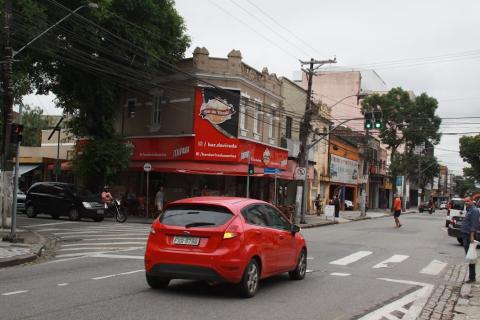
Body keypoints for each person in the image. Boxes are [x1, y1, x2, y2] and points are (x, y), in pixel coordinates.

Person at [460, 197, 480, 283]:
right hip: (465, 235)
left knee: (471, 256)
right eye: (465, 202)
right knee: (469, 256)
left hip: (469, 236)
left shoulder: (474, 210)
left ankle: (472, 277)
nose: (466, 203)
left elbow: (474, 224)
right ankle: (471, 276)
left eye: (468, 201)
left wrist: (472, 235)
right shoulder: (469, 210)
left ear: (472, 201)